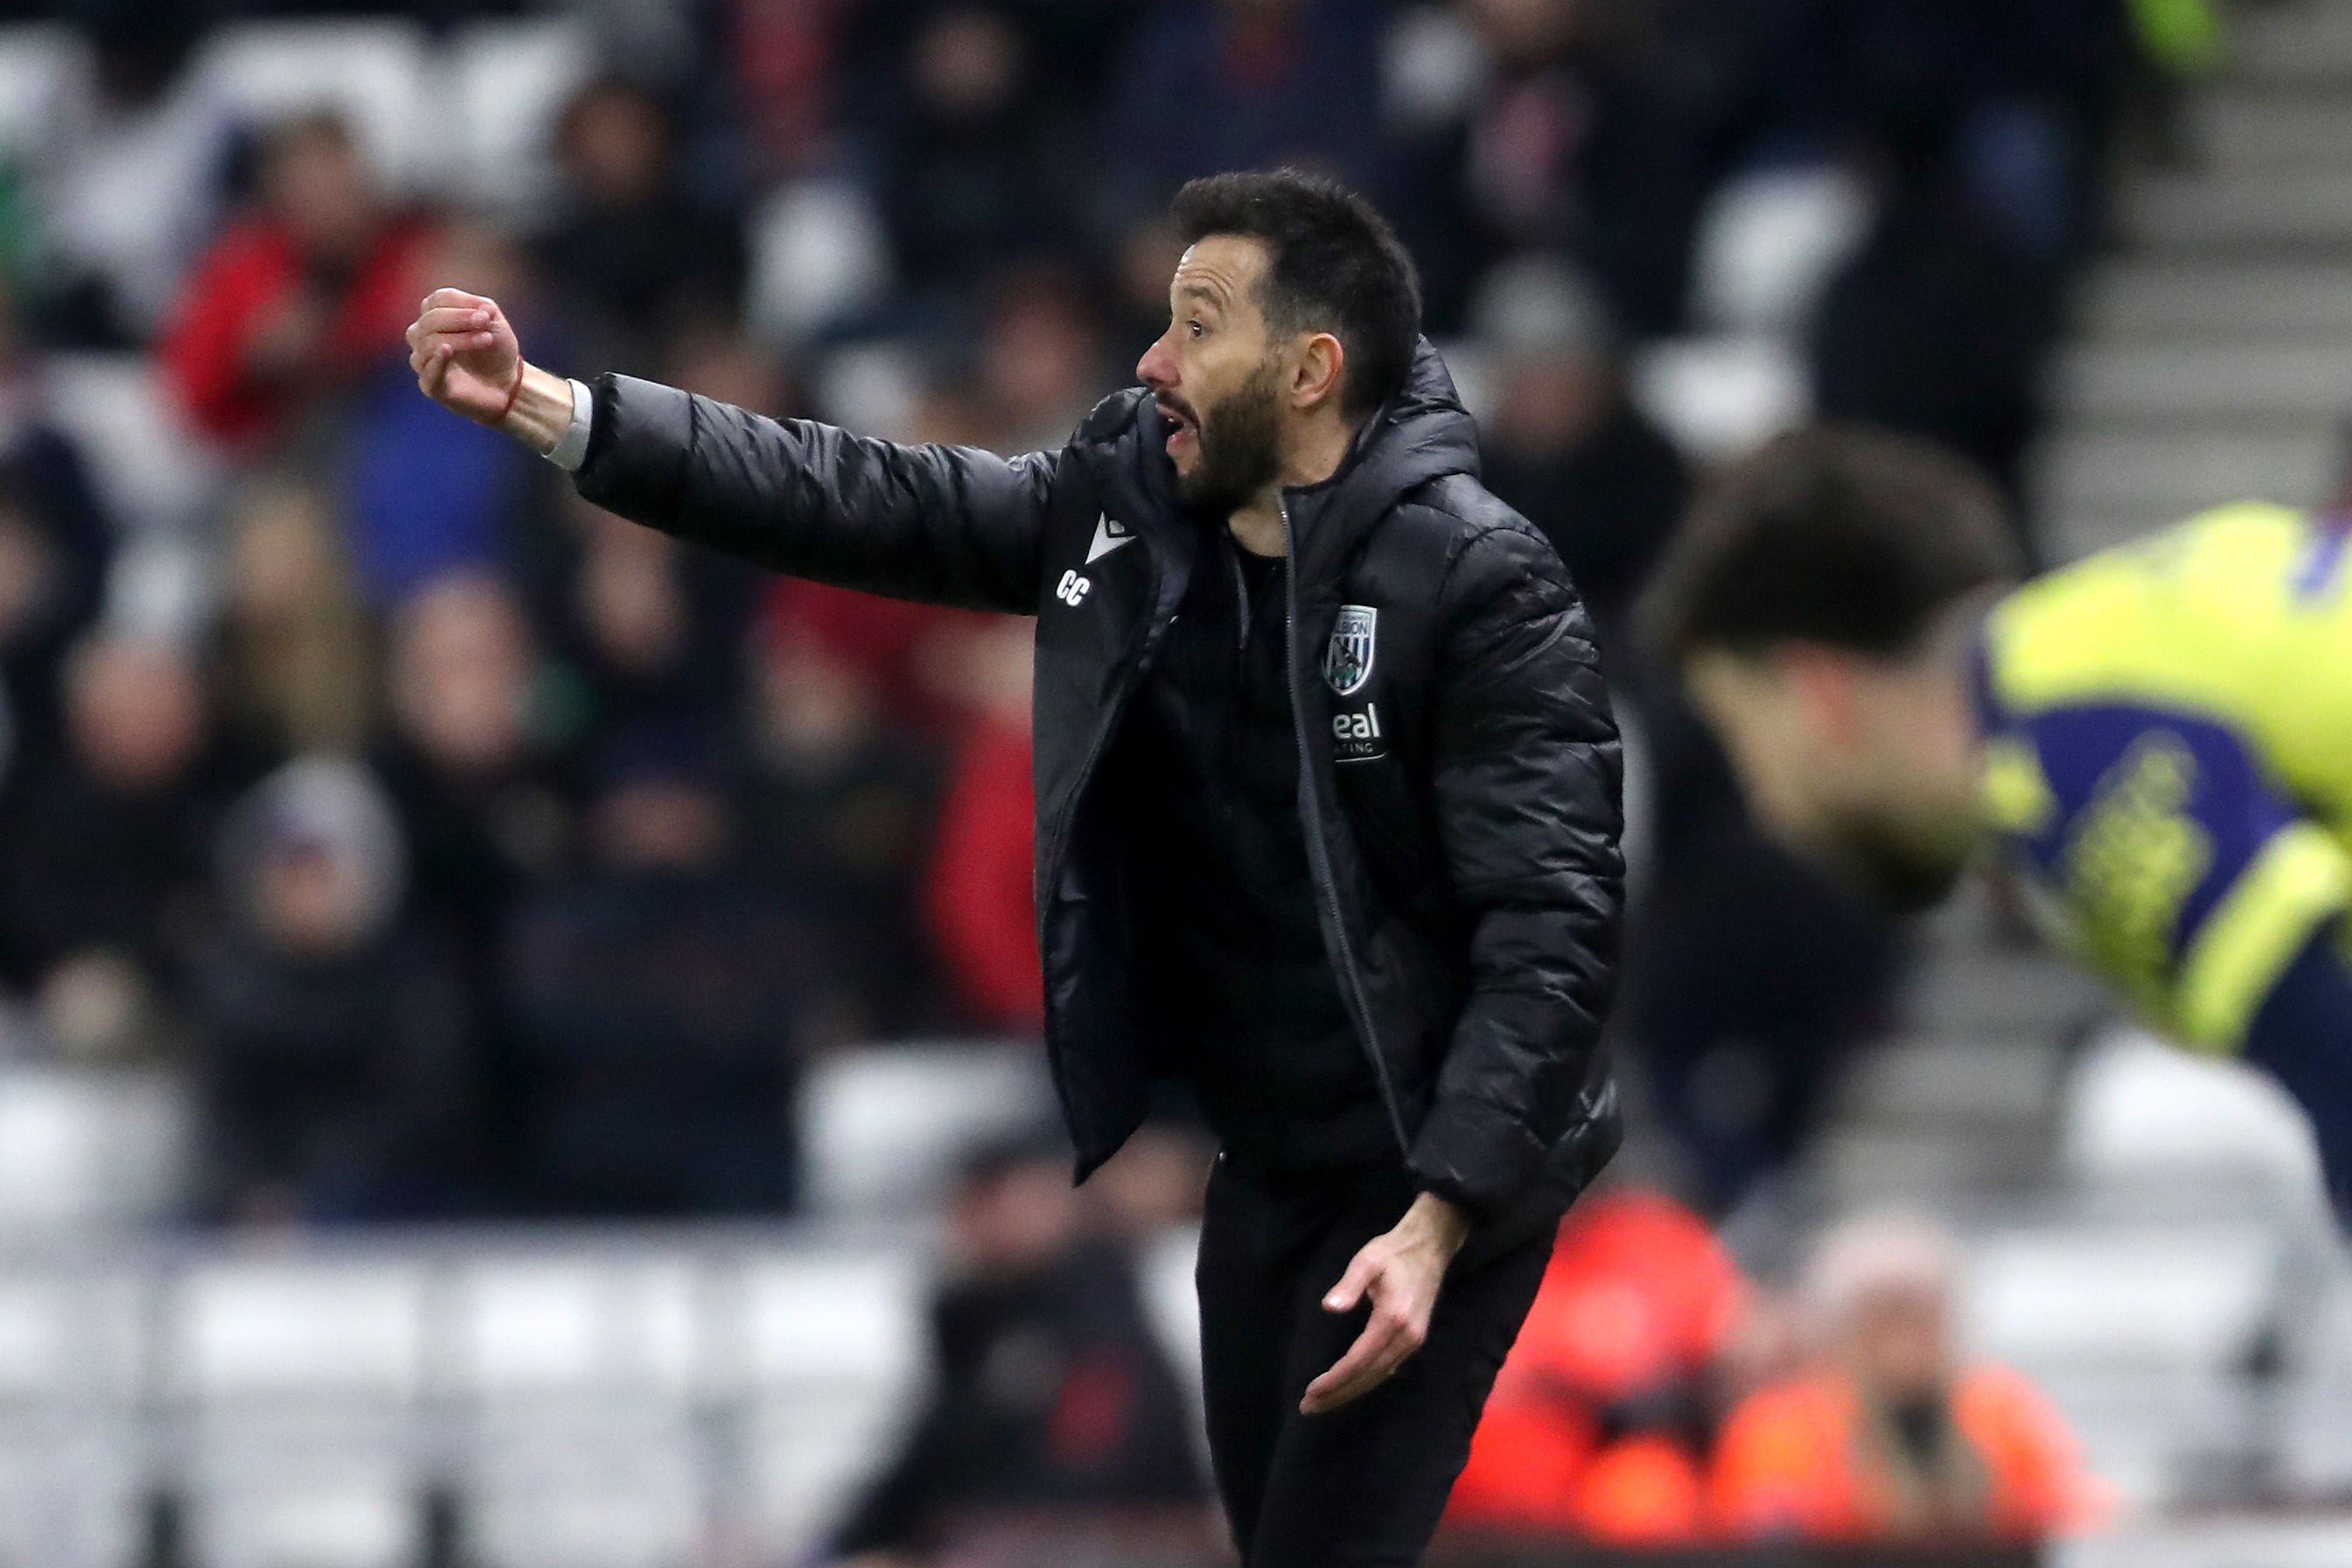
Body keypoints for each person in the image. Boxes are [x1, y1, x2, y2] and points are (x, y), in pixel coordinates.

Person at [408, 167, 1623, 1562]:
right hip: (1265, 1167)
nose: (1151, 360)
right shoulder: (1132, 504)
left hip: (1434, 1182)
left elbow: (1555, 922)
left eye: (1198, 327)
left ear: (1309, 369)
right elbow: (861, 499)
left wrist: (1441, 1215)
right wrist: (560, 411)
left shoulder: (1480, 581)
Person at [1642, 425, 2352, 1223]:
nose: (1767, 806)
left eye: (1743, 736)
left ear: (1818, 695)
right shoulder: (2120, 636)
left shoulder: (2059, 754)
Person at [824, 1132, 1211, 1562]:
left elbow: (1101, 1454)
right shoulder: (971, 1319)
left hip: (1109, 1536)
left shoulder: (1102, 1313)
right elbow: (931, 1451)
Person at [1710, 1212, 2097, 1544]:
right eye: (1886, 1315)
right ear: (1841, 1327)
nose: (1907, 1338)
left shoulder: (1999, 1407)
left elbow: (2065, 1504)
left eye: (1923, 1313)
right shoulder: (1782, 1427)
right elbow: (1765, 1531)